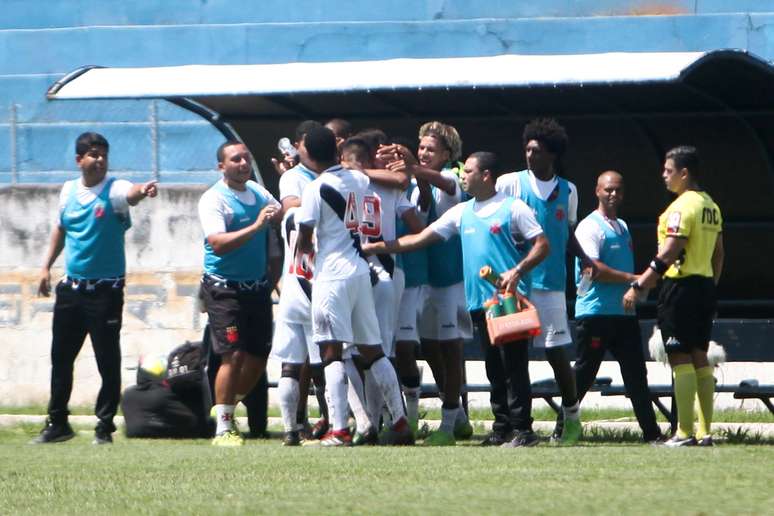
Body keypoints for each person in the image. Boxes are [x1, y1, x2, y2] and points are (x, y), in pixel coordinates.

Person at [364, 151, 550, 447]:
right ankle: (502, 427)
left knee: (513, 366)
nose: (463, 176)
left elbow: (542, 245)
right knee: (494, 368)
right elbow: (419, 238)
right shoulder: (462, 212)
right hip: (481, 304)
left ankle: (523, 430)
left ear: (485, 176)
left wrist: (516, 271)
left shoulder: (514, 207)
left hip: (508, 302)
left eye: (469, 171)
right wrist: (375, 246)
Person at [33, 132, 158, 445]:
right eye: (93, 154)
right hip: (71, 290)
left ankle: (104, 428)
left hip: (105, 292)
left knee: (107, 360)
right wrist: (46, 266)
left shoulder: (114, 188)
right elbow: (61, 228)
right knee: (61, 358)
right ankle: (58, 423)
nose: (99, 159)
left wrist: (142, 191)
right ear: (79, 160)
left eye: (103, 154)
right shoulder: (68, 191)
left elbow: (130, 194)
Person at [296, 126, 413, 446]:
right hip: (362, 270)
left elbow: (305, 238)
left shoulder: (315, 188)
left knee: (331, 353)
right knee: (374, 351)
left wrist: (305, 266)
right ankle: (400, 422)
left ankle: (340, 430)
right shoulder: (360, 180)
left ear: (307, 153)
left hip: (331, 275)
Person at [377, 121, 473, 445]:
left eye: (431, 149)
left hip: (449, 277)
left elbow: (442, 187)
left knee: (451, 348)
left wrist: (413, 166)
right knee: (429, 348)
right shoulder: (415, 184)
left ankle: (450, 426)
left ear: (447, 153)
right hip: (425, 277)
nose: (424, 153)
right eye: (421, 148)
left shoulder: (453, 178)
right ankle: (453, 417)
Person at [495, 118, 589, 445]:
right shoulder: (510, 184)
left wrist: (586, 261)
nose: (529, 154)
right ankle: (515, 424)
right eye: (527, 148)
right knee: (514, 355)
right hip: (516, 284)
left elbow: (569, 234)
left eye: (536, 150)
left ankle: (572, 418)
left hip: (552, 282)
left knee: (556, 351)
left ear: (552, 154)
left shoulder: (569, 190)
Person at [624, 146, 723, 447]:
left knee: (679, 356)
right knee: (699, 357)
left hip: (679, 288)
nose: (663, 176)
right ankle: (705, 432)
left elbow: (670, 250)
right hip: (704, 285)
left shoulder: (682, 207)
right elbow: (719, 254)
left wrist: (640, 284)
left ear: (684, 173)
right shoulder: (711, 206)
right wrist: (709, 286)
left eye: (668, 171)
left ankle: (683, 432)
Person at [198, 141, 282, 446]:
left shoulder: (258, 192)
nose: (244, 163)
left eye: (246, 157)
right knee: (232, 355)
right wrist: (257, 225)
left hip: (256, 288)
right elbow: (218, 242)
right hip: (224, 289)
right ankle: (224, 427)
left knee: (259, 357)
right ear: (222, 166)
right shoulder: (213, 199)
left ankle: (224, 406)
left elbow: (282, 212)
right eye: (236, 159)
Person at [573, 171, 663, 443]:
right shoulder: (589, 227)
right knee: (584, 375)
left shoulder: (622, 226)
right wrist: (636, 280)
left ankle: (651, 433)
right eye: (608, 190)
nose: (613, 195)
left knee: (637, 374)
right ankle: (563, 427)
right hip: (596, 313)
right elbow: (594, 268)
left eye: (618, 191)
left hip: (624, 314)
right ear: (597, 191)